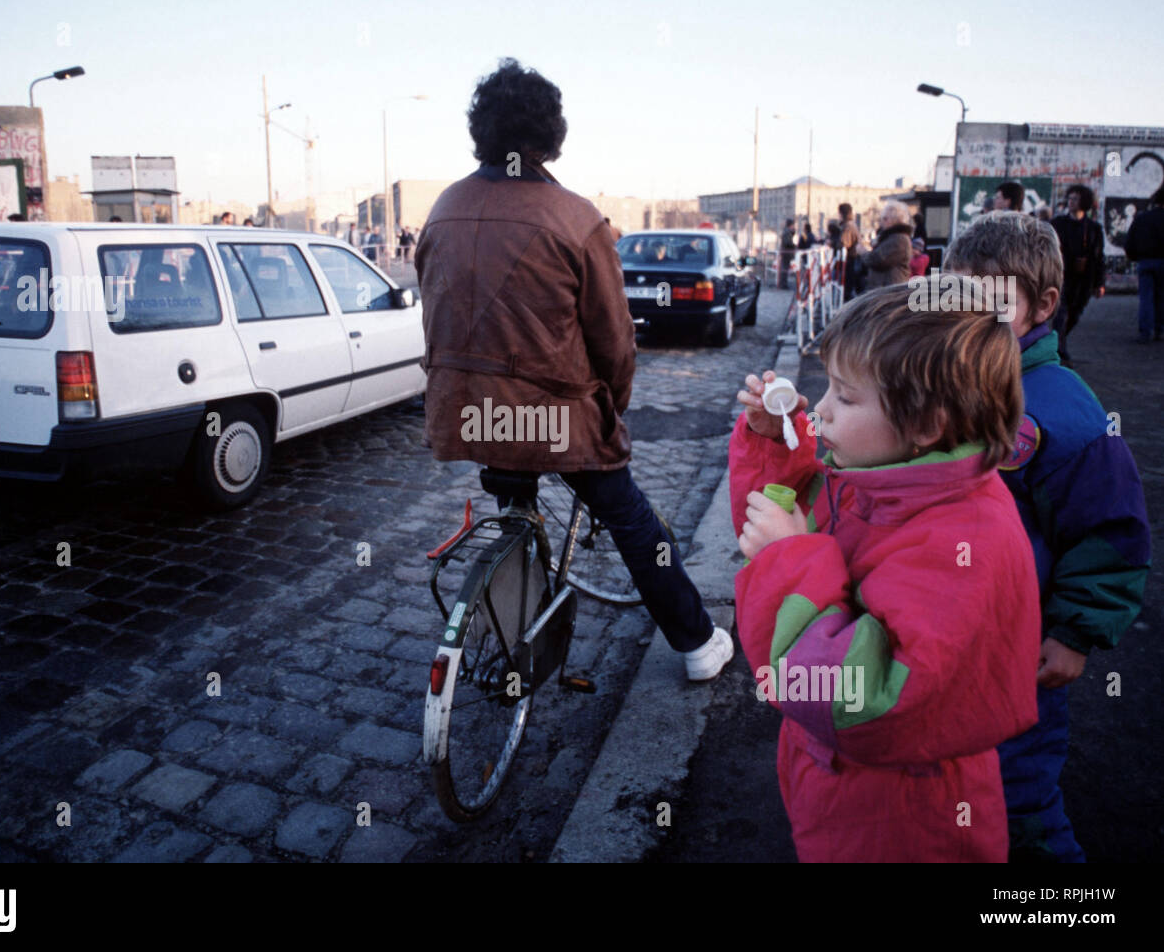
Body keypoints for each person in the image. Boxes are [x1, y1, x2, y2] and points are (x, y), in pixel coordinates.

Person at [415, 57, 733, 682]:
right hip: (554, 420)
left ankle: (512, 628)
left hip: (466, 413)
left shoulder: (443, 207)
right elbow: (614, 341)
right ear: (549, 136)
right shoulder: (575, 217)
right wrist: (610, 407)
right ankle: (697, 644)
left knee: (512, 499)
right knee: (631, 518)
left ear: (482, 131)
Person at [729, 282, 1041, 861]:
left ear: (926, 423)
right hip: (845, 789)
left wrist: (788, 560)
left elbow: (866, 698)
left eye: (845, 398)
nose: (819, 409)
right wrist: (776, 444)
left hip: (905, 821)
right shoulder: (883, 478)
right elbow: (772, 519)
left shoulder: (964, 542)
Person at [945, 212, 1150, 862]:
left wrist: (1073, 632)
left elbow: (1110, 531)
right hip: (948, 637)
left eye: (992, 303)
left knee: (1019, 795)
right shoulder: (949, 383)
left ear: (1044, 304)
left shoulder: (1066, 410)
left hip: (1021, 651)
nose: (972, 318)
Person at [1049, 185, 1106, 362]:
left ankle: (1059, 341)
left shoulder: (1093, 228)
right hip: (1062, 274)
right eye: (1070, 198)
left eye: (1075, 199)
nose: (1071, 202)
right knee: (1061, 312)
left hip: (1084, 278)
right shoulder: (1058, 224)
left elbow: (1098, 256)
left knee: (1075, 312)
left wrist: (1099, 283)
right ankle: (1060, 349)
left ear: (1084, 202)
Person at [1125, 186, 1164, 342]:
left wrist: (1135, 257)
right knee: (1162, 296)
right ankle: (1159, 328)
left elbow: (1130, 241)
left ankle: (1145, 331)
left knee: (1146, 297)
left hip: (1146, 261)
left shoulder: (1142, 218)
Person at [861, 201, 913, 289]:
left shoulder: (899, 239)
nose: (881, 222)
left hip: (890, 292)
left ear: (896, 220)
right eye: (881, 219)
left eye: (885, 219)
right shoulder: (892, 237)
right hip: (885, 289)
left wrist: (863, 252)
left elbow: (878, 260)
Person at [837, 203, 864, 299]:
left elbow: (843, 244)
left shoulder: (848, 226)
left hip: (850, 261)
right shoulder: (852, 225)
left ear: (841, 214)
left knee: (847, 289)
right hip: (852, 260)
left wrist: (833, 243)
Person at [777, 218, 796, 289]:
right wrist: (794, 246)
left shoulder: (787, 231)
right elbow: (788, 243)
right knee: (784, 269)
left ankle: (783, 284)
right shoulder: (787, 232)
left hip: (785, 253)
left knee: (785, 268)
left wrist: (793, 231)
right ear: (790, 225)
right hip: (786, 253)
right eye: (793, 225)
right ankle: (783, 284)